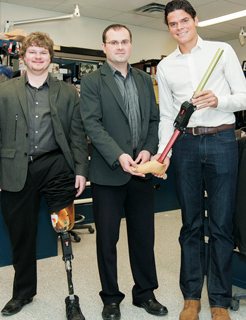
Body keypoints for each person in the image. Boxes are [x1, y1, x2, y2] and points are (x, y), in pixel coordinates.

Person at [154, 1, 246, 320]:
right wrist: (163, 152)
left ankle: (220, 300)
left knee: (222, 224)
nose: (180, 27)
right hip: (185, 144)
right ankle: (191, 297)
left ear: (196, 20)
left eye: (184, 20)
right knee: (191, 224)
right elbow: (167, 115)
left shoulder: (222, 51)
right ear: (168, 28)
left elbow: (245, 98)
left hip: (222, 139)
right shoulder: (165, 66)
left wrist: (218, 99)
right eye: (173, 23)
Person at [0, 31, 88, 320]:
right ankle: (23, 293)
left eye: (43, 52)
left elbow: (78, 134)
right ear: (24, 57)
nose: (38, 57)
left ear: (50, 59)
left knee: (63, 228)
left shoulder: (67, 93)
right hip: (17, 169)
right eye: (33, 52)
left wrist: (80, 170)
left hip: (56, 167)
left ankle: (71, 296)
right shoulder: (3, 91)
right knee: (21, 235)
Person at [80, 24, 167, 320]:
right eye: (113, 42)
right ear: (104, 47)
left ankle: (145, 293)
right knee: (107, 240)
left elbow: (153, 120)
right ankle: (111, 298)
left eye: (124, 41)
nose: (119, 46)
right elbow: (92, 123)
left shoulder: (144, 80)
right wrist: (119, 155)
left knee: (143, 237)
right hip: (108, 173)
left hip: (142, 171)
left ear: (131, 45)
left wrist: (147, 148)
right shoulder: (92, 81)